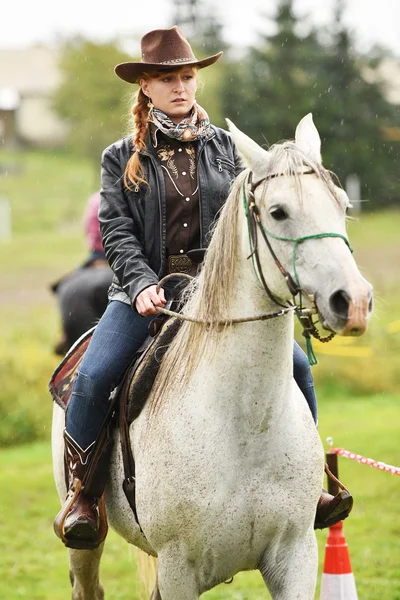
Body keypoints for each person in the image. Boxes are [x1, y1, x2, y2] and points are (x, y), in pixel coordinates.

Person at [53, 26, 352, 550]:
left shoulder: (228, 148)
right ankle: (83, 494)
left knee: (299, 368)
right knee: (95, 375)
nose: (181, 87)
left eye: (188, 77)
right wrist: (141, 283)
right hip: (144, 295)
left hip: (217, 297)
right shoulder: (120, 155)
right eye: (168, 79)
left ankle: (315, 485)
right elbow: (118, 231)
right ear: (145, 86)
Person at [51, 192, 113, 355]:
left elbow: (91, 230)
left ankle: (65, 335)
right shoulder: (127, 192)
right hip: (119, 251)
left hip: (96, 253)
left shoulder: (95, 199)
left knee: (65, 284)